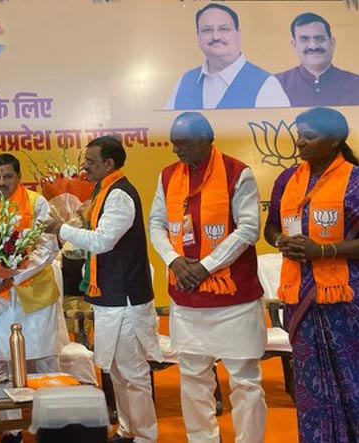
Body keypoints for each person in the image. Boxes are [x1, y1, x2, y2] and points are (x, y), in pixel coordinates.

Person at [148, 112, 266, 443]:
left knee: (245, 380)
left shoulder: (237, 173)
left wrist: (206, 266)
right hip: (187, 297)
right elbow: (156, 223)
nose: (175, 151)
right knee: (193, 377)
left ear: (205, 140)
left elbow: (248, 229)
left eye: (182, 144)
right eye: (173, 143)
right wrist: (173, 261)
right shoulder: (168, 176)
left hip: (234, 298)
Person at [45, 136, 161, 443]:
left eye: (91, 161)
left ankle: (146, 436)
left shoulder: (120, 195)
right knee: (117, 370)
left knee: (132, 372)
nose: (84, 166)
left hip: (125, 297)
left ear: (109, 163)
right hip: (109, 295)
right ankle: (127, 429)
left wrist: (62, 229)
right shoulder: (103, 191)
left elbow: (102, 241)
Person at [263, 107, 359, 443]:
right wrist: (282, 242)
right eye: (298, 133)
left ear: (335, 140)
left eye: (310, 135)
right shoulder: (287, 179)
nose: (300, 142)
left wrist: (323, 251)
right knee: (310, 384)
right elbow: (270, 227)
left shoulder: (356, 180)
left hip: (347, 301)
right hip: (301, 299)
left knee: (354, 380)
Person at [0, 153, 60, 443]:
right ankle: (12, 431)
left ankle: (51, 427)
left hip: (34, 295)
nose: (1, 183)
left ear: (18, 177)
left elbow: (47, 249)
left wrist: (14, 277)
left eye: (7, 177)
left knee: (43, 361)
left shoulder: (37, 202)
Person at [165, 3, 289, 110]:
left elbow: (280, 136)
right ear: (198, 36)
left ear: (238, 35)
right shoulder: (185, 81)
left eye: (224, 29)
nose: (216, 36)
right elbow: (164, 130)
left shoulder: (267, 85)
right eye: (207, 30)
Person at [275, 13, 359, 107]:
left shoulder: (357, 85)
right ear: (294, 45)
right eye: (304, 39)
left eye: (320, 39)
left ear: (332, 43)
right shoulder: (276, 85)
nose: (313, 46)